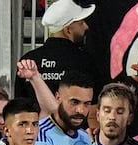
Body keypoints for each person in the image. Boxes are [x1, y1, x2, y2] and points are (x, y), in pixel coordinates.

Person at [16, 0, 102, 128]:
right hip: (75, 138)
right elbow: (94, 109)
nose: (86, 27)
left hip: (36, 139)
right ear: (68, 30)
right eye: (81, 23)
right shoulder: (85, 61)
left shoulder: (28, 60)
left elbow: (19, 108)